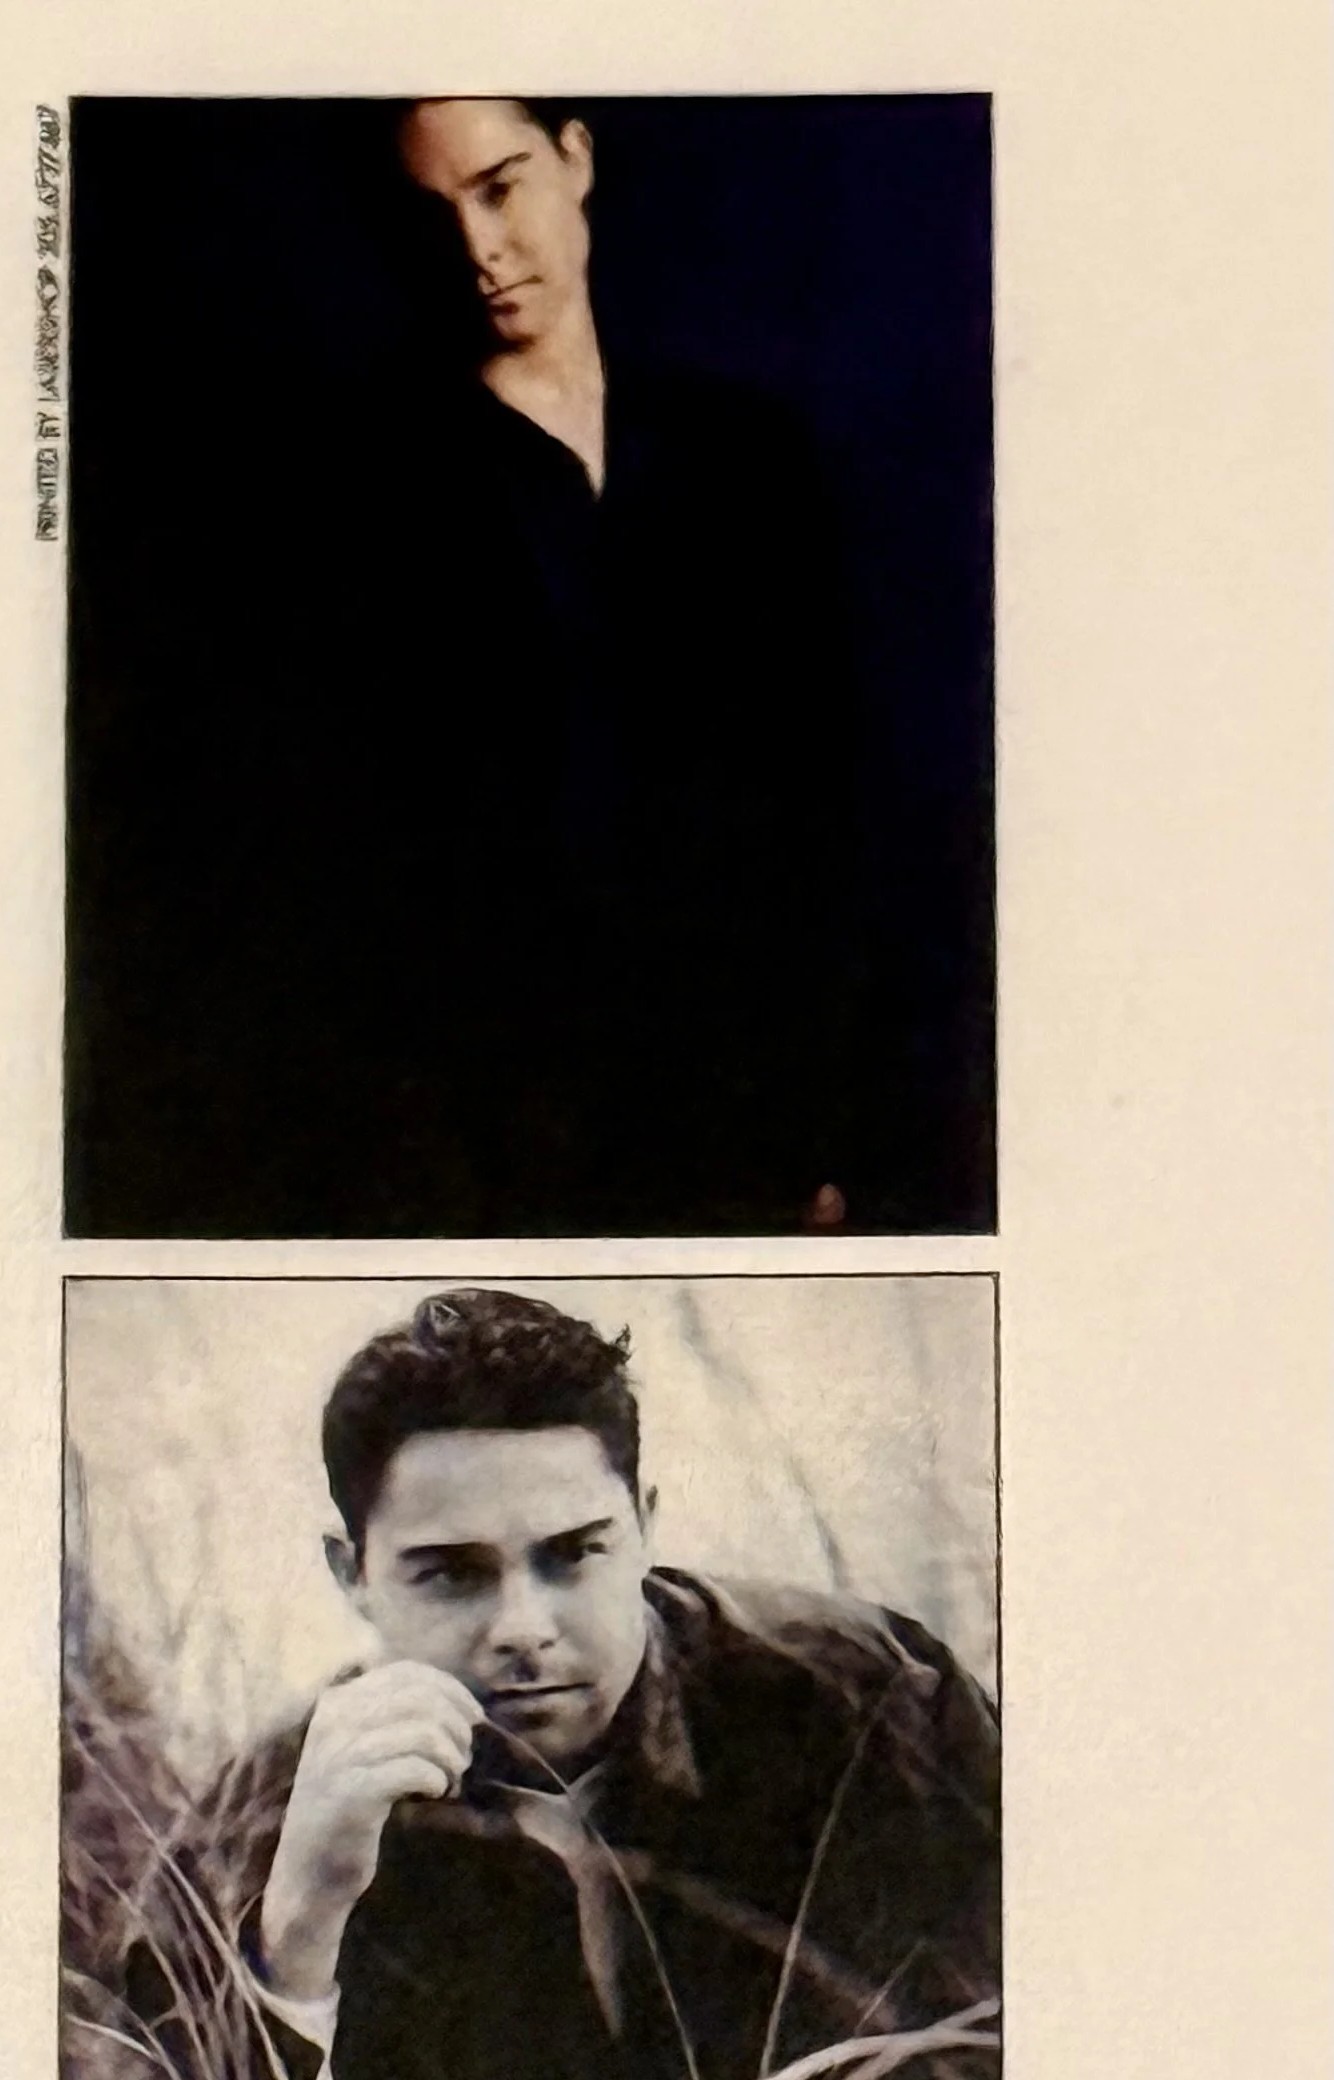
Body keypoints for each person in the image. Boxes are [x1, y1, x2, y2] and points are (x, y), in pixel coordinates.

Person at [77, 1287, 1002, 2080]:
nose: (525, 1623)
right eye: (451, 1573)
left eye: (572, 1555)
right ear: (351, 1574)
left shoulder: (867, 1703)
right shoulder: (279, 1812)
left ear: (647, 1524)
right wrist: (299, 1930)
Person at [66, 100, 862, 1237]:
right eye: (432, 211)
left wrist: (816, 1129)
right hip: (480, 1135)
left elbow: (821, 814)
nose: (479, 249)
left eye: (501, 186)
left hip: (733, 1115)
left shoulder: (747, 461)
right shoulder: (350, 491)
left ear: (575, 159)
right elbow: (325, 872)